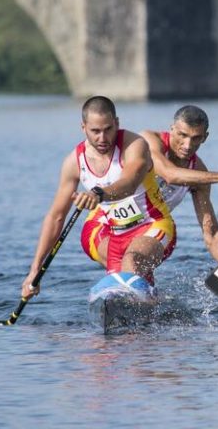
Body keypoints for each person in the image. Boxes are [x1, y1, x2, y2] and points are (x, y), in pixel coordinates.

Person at [21, 96, 175, 298]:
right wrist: (35, 270)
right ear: (83, 127)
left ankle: (143, 301)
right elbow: (56, 216)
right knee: (126, 279)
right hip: (115, 233)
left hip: (153, 224)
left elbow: (129, 183)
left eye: (108, 129)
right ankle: (153, 303)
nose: (103, 138)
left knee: (131, 262)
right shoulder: (73, 162)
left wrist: (99, 194)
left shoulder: (135, 145)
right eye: (95, 131)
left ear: (117, 123)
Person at [139, 106, 218, 263]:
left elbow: (211, 231)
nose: (188, 145)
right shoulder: (148, 140)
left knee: (136, 269)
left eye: (196, 138)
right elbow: (169, 174)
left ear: (205, 137)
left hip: (153, 229)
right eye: (182, 135)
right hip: (114, 222)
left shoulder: (199, 172)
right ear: (172, 129)